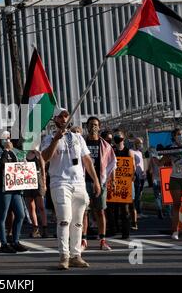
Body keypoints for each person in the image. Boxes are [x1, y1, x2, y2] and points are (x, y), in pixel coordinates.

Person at [41, 108, 101, 270]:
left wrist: (96, 181)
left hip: (79, 183)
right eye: (60, 116)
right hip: (60, 183)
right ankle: (64, 256)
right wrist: (55, 139)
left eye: (66, 115)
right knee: (64, 219)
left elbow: (87, 160)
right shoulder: (48, 138)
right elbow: (45, 158)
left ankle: (76, 255)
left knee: (78, 222)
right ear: (55, 119)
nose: (64, 118)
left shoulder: (78, 137)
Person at [0, 130, 28, 253]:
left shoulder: (14, 150)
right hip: (0, 187)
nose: (7, 140)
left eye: (9, 138)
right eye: (4, 138)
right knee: (2, 215)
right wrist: (6, 151)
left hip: (14, 186)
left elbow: (21, 165)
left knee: (20, 214)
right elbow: (1, 164)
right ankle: (4, 244)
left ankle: (15, 241)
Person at [81, 116, 116, 251]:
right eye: (90, 124)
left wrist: (110, 179)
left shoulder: (106, 146)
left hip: (100, 183)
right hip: (84, 182)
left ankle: (102, 240)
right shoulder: (82, 143)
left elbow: (112, 163)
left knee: (100, 211)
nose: (93, 127)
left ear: (99, 127)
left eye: (95, 124)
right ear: (87, 127)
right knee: (84, 212)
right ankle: (83, 240)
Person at [111, 129, 135, 239]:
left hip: (125, 184)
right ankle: (115, 229)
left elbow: (132, 167)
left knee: (125, 209)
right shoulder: (111, 150)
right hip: (114, 182)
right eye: (116, 136)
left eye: (119, 136)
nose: (117, 138)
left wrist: (131, 177)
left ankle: (126, 232)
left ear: (123, 138)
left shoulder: (128, 151)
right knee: (114, 208)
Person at [24, 149, 48, 238]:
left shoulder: (38, 154)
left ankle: (45, 229)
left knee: (41, 206)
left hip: (38, 180)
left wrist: (44, 183)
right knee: (30, 206)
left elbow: (43, 169)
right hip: (27, 180)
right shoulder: (23, 154)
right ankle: (35, 228)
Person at [131, 137, 146, 229]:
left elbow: (141, 164)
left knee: (140, 194)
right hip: (136, 177)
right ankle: (136, 211)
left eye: (141, 143)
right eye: (139, 143)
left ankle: (139, 211)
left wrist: (143, 172)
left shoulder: (140, 152)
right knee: (136, 195)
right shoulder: (131, 152)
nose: (141, 144)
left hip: (141, 176)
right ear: (135, 143)